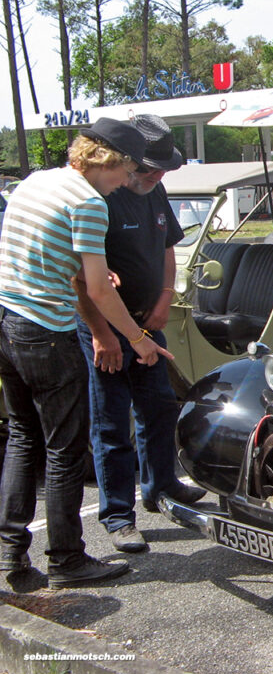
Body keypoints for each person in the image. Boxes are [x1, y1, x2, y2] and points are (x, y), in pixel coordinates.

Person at [0, 118, 173, 587]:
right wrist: (139, 341)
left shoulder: (36, 182)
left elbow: (46, 254)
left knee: (22, 439)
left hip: (6, 320)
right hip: (46, 332)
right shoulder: (89, 202)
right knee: (64, 451)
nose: (125, 182)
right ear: (110, 161)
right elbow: (96, 288)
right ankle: (66, 559)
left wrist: (87, 270)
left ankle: (11, 557)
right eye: (126, 170)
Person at [75, 114, 204, 554]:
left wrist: (166, 296)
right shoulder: (98, 198)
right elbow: (82, 279)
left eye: (163, 169)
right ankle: (117, 516)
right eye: (151, 168)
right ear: (128, 164)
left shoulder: (156, 191)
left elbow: (168, 246)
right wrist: (101, 333)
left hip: (148, 321)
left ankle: (160, 488)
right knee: (112, 421)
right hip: (108, 328)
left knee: (160, 407)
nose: (158, 176)